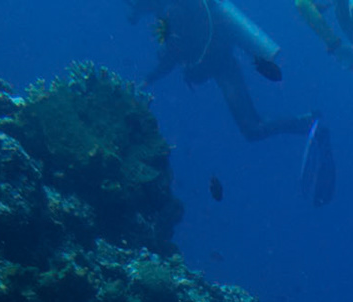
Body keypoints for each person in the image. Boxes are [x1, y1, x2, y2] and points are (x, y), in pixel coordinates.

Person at [139, 0, 337, 202]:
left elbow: (172, 55)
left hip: (221, 65)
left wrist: (149, 78)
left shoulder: (173, 11)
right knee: (253, 128)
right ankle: (306, 123)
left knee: (252, 128)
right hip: (222, 63)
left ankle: (309, 124)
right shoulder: (175, 10)